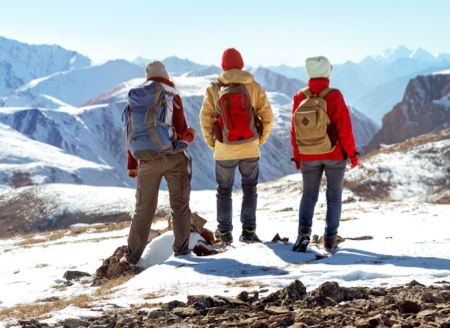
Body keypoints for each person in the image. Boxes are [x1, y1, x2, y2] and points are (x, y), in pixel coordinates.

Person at [121, 60, 196, 264]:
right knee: (179, 205)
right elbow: (180, 131)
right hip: (173, 158)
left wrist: (132, 165)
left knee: (143, 211)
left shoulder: (136, 100)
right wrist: (190, 136)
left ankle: (132, 257)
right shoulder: (171, 94)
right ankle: (181, 252)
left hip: (146, 160)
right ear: (165, 75)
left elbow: (132, 133)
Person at [199, 48, 273, 244]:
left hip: (224, 149)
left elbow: (205, 119)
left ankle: (224, 233)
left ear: (223, 66)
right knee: (250, 188)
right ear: (241, 64)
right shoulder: (253, 86)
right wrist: (260, 140)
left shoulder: (214, 88)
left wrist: (213, 144)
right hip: (250, 147)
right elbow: (268, 116)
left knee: (224, 190)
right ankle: (248, 231)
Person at [291, 56, 358, 253]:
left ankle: (303, 234)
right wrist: (352, 154)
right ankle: (330, 239)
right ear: (327, 72)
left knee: (309, 195)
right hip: (334, 154)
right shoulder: (334, 95)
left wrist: (298, 156)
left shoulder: (299, 97)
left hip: (308, 154)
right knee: (334, 197)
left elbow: (294, 130)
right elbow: (344, 128)